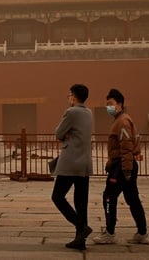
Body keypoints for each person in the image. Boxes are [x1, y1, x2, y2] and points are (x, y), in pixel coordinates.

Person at [92, 88, 149, 245]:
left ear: (119, 104)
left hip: (122, 166)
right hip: (125, 164)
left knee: (109, 197)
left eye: (110, 104)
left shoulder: (122, 122)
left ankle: (110, 233)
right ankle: (142, 232)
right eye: (107, 104)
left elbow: (125, 148)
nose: (108, 107)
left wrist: (125, 170)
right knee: (132, 198)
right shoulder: (122, 120)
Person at [51, 83, 94, 250]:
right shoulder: (88, 112)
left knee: (57, 196)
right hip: (84, 164)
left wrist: (66, 135)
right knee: (81, 202)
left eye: (69, 95)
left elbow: (58, 133)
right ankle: (80, 240)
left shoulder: (71, 112)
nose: (68, 97)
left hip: (70, 163)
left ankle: (81, 227)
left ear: (74, 96)